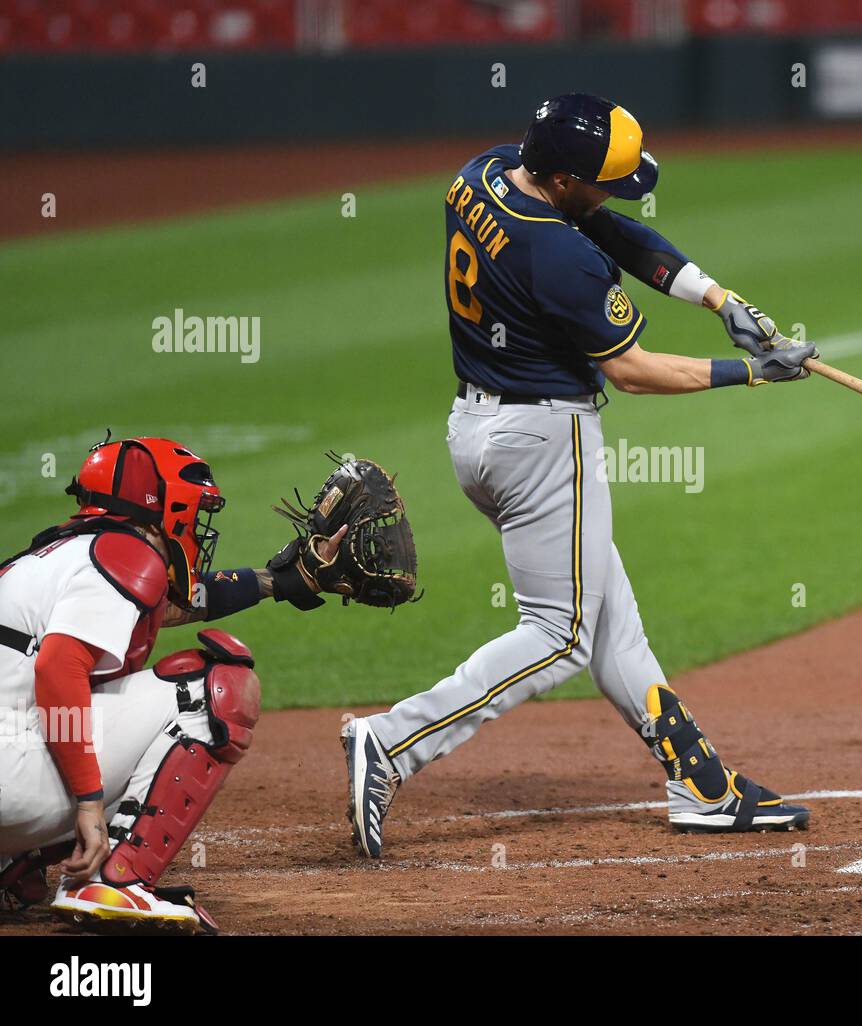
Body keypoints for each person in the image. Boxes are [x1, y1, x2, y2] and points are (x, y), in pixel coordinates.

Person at [342, 93, 817, 858]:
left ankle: (699, 785)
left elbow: (613, 227)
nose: (616, 192)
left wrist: (715, 296)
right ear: (564, 180)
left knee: (605, 617)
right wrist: (752, 372)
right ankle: (392, 743)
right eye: (604, 181)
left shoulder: (486, 171)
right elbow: (631, 371)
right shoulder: (556, 255)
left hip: (478, 429)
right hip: (542, 442)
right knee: (559, 635)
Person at [0, 435, 342, 932]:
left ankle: (13, 864)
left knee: (79, 710)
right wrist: (90, 802)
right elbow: (57, 672)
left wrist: (276, 581)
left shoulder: (57, 554)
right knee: (215, 689)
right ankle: (115, 881)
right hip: (11, 783)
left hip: (8, 769)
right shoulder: (128, 554)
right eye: (196, 510)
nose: (200, 527)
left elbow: (173, 601)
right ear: (164, 506)